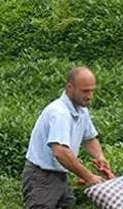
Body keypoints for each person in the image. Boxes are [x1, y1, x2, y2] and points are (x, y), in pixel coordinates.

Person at [22, 66, 110, 209]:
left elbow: (90, 138)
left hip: (60, 175)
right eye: (85, 91)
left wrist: (100, 156)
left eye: (92, 90)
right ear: (70, 88)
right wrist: (89, 177)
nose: (90, 96)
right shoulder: (59, 113)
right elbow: (60, 152)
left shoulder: (82, 110)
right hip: (41, 176)